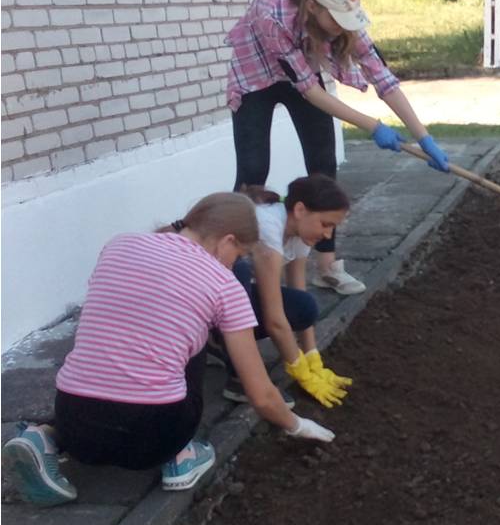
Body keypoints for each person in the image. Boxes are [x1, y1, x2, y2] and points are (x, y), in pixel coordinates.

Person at [1, 194, 334, 508]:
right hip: (154, 439)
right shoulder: (224, 285)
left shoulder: (119, 246)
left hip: (75, 424)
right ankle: (182, 457)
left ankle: (43, 436)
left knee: (109, 338)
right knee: (195, 335)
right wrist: (298, 426)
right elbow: (260, 395)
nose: (236, 264)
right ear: (228, 241)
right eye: (241, 256)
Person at [226, 0, 452, 297]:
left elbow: (383, 79)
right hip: (254, 76)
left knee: (323, 166)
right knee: (253, 172)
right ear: (312, 6)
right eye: (335, 20)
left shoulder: (345, 22)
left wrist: (424, 136)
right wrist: (374, 126)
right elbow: (311, 92)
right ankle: (232, 264)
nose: (341, 28)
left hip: (300, 72)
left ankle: (327, 267)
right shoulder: (273, 16)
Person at [227, 174, 354, 410]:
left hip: (226, 293)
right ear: (300, 209)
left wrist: (312, 357)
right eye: (325, 224)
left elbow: (298, 290)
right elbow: (274, 318)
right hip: (191, 301)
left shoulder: (298, 231)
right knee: (240, 274)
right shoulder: (267, 228)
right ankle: (238, 373)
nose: (327, 235)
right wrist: (300, 371)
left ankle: (225, 344)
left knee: (304, 307)